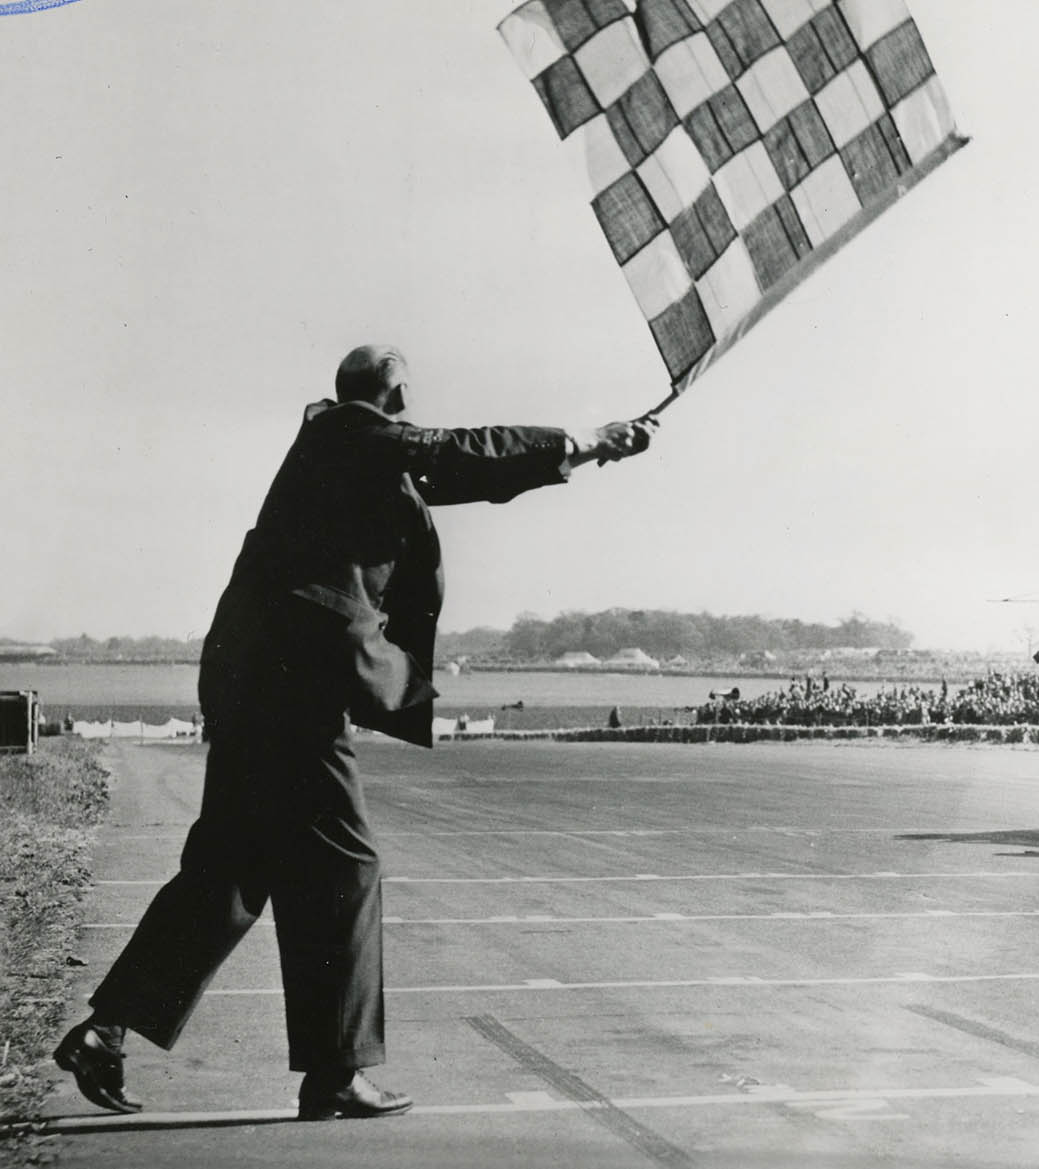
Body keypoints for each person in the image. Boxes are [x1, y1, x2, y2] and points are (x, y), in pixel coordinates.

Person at [54, 345, 655, 1120]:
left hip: (259, 679)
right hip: (290, 684)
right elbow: (452, 451)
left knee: (232, 868)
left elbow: (462, 471)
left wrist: (584, 450)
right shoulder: (347, 432)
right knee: (346, 864)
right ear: (395, 391)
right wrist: (579, 439)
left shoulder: (351, 451)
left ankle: (107, 1031)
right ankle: (335, 1072)